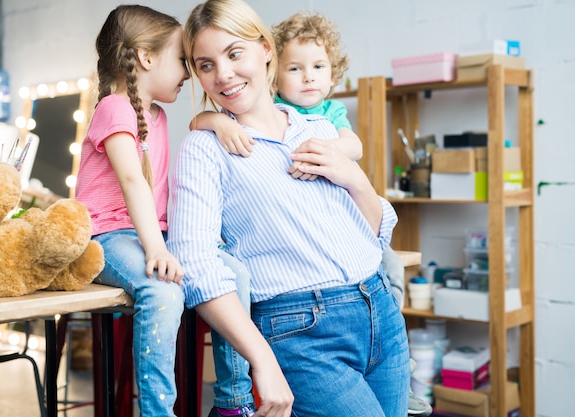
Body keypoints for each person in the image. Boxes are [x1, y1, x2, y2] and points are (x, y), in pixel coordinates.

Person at [168, 0, 411, 416]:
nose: (223, 74)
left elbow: (372, 231)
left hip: (381, 311)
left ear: (266, 50)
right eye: (205, 64)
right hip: (300, 331)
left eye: (234, 53)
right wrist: (261, 358)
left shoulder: (319, 129)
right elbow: (197, 265)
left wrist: (354, 177)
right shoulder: (204, 149)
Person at [75, 6, 189, 416]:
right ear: (145, 57)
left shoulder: (156, 116)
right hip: (107, 235)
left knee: (228, 274)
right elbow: (131, 181)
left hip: (146, 234)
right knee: (162, 291)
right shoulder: (113, 107)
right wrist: (157, 248)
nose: (188, 71)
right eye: (181, 59)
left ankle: (234, 400)